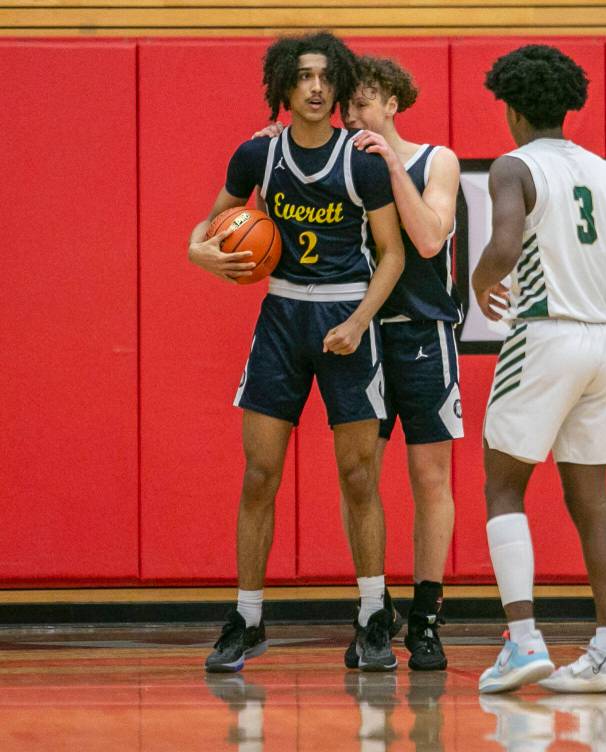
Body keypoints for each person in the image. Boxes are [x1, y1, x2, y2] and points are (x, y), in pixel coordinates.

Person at [187, 31, 405, 673]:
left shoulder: (361, 159)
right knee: (259, 474)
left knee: (360, 475)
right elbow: (208, 226)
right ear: (283, 87)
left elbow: (391, 254)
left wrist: (362, 320)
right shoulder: (257, 157)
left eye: (324, 77)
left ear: (337, 87)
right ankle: (247, 618)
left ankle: (371, 615)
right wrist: (197, 249)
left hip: (346, 315)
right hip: (282, 314)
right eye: (302, 77)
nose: (314, 87)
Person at [471, 44, 606, 694]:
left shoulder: (514, 166)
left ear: (513, 108)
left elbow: (505, 245)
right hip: (602, 341)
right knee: (591, 498)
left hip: (543, 334)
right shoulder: (605, 171)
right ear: (567, 104)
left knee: (503, 486)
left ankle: (522, 642)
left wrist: (481, 280)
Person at [344, 56, 464, 671]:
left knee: (430, 478)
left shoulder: (434, 159)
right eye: (348, 106)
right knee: (359, 473)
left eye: (364, 101)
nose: (353, 115)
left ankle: (425, 617)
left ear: (392, 101)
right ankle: (374, 609)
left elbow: (427, 239)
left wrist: (391, 160)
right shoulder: (340, 163)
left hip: (422, 330)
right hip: (359, 334)